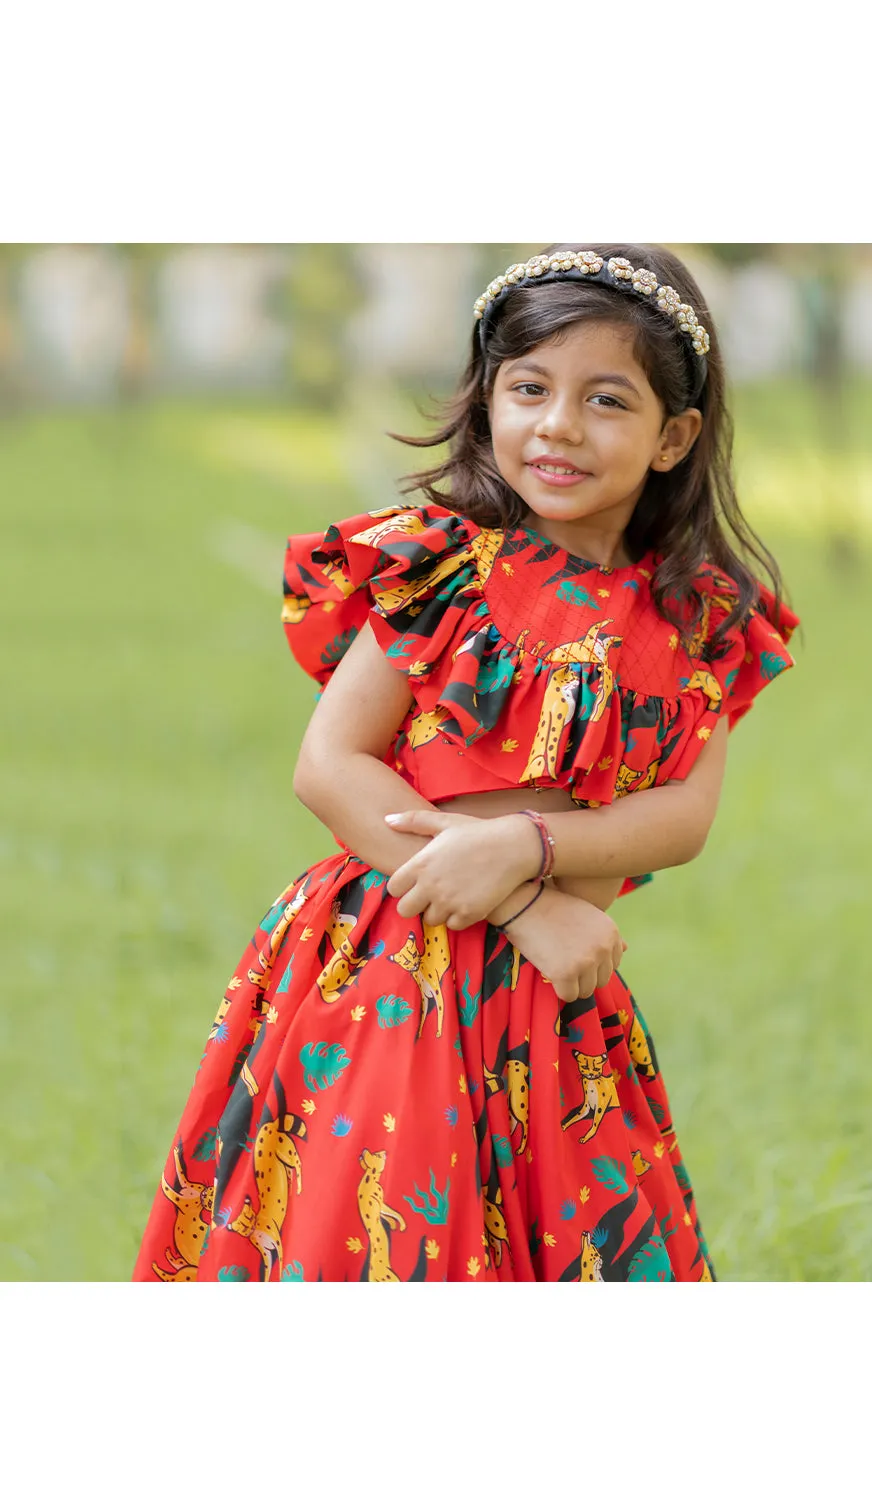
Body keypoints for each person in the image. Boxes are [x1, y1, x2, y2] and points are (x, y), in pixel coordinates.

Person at [133, 243, 799, 1284]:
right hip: (399, 960)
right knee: (393, 1232)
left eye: (606, 400)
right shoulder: (443, 570)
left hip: (555, 1000)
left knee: (562, 1241)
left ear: (674, 437)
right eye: (528, 388)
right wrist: (526, 902)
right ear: (486, 401)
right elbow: (331, 763)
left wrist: (525, 846)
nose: (558, 425)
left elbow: (682, 815)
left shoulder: (694, 620)